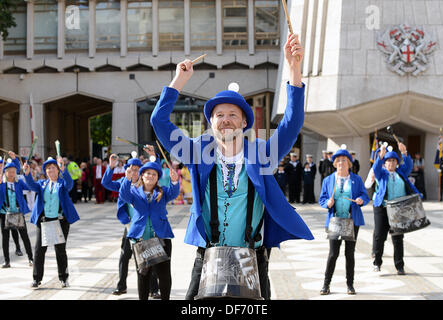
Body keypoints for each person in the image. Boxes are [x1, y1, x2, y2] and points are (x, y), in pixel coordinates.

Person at [150, 33, 313, 300]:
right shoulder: (196, 152)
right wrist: (179, 80)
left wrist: (294, 69)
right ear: (211, 122)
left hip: (252, 259)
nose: (226, 120)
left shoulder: (262, 154)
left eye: (233, 115)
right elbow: (159, 121)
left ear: (244, 123)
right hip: (208, 257)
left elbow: (291, 124)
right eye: (219, 115)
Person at [102, 147, 161, 298]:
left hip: (145, 225)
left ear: (141, 171)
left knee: (149, 256)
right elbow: (106, 182)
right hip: (130, 226)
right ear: (126, 170)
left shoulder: (146, 184)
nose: (133, 172)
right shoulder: (123, 182)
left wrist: (155, 157)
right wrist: (111, 166)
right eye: (130, 169)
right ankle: (121, 286)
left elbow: (156, 173)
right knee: (124, 255)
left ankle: (153, 289)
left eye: (136, 169)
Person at [119, 159, 180, 300]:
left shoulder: (162, 192)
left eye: (154, 174)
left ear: (158, 177)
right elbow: (123, 195)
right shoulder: (134, 192)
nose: (150, 176)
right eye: (147, 173)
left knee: (164, 274)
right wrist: (127, 178)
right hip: (141, 239)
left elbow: (173, 193)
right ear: (142, 175)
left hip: (161, 238)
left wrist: (175, 181)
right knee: (143, 274)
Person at [319, 147, 370, 295]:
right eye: (338, 161)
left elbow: (364, 195)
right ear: (335, 164)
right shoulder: (328, 180)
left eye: (344, 161)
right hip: (335, 220)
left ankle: (350, 285)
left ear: (349, 163)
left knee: (350, 253)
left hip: (351, 220)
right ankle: (326, 285)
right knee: (333, 253)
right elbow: (322, 198)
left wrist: (361, 200)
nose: (341, 163)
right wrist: (326, 203)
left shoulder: (356, 179)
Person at [23, 156, 80, 288]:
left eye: (53, 168)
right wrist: (26, 174)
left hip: (60, 221)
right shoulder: (42, 184)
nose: (50, 170)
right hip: (44, 221)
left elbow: (70, 185)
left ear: (58, 170)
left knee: (60, 250)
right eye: (47, 168)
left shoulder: (62, 183)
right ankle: (36, 278)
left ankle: (63, 278)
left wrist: (64, 171)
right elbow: (31, 185)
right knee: (39, 250)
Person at [371, 142, 420, 275]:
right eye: (388, 161)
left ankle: (399, 266)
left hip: (398, 209)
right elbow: (375, 168)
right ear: (385, 163)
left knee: (398, 238)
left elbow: (409, 165)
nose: (391, 163)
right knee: (380, 236)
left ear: (397, 163)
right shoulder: (381, 173)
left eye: (393, 161)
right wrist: (380, 157)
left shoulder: (401, 172)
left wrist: (404, 153)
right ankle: (377, 262)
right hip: (382, 208)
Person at [0, 153, 34, 268]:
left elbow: (30, 187)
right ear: (5, 172)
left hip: (18, 213)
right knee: (5, 238)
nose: (11, 172)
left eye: (13, 170)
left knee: (24, 236)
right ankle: (7, 261)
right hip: (5, 213)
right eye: (9, 170)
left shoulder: (19, 182)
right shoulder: (1, 184)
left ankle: (31, 258)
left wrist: (28, 174)